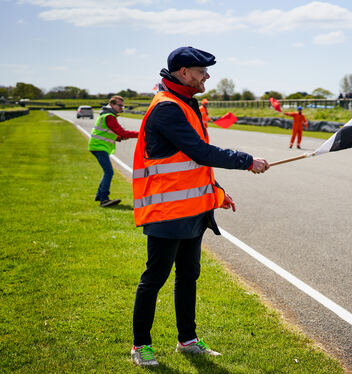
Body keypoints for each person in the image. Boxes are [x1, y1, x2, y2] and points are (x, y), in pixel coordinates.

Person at [130, 46, 269, 367]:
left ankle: (188, 340)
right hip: (166, 212)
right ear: (183, 73)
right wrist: (247, 161)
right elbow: (200, 150)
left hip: (192, 209)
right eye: (202, 71)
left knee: (188, 275)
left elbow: (191, 159)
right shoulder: (167, 108)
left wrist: (217, 188)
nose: (207, 76)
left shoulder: (184, 103)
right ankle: (140, 346)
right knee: (155, 278)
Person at [88, 95, 138, 207]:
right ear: (112, 104)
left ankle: (101, 197)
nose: (122, 108)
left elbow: (106, 133)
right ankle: (104, 199)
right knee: (109, 172)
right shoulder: (109, 116)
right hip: (99, 146)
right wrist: (141, 133)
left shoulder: (106, 115)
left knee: (108, 172)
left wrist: (118, 138)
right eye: (119, 105)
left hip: (98, 146)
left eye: (122, 106)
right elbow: (122, 132)